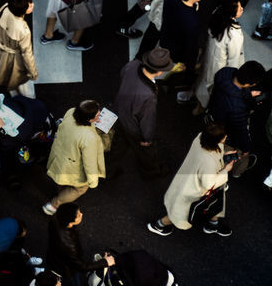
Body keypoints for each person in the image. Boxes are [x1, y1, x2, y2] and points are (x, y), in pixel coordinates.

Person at [147, 123, 234, 237]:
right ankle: (159, 225)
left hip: (187, 179)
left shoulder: (201, 138)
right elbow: (209, 183)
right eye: (224, 136)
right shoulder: (208, 162)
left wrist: (223, 154)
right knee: (181, 214)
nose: (225, 137)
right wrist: (225, 170)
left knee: (215, 203)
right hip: (193, 190)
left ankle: (213, 224)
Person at [110, 48, 174, 179]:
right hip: (133, 127)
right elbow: (147, 120)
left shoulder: (133, 65)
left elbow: (123, 75)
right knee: (146, 152)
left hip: (119, 113)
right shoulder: (148, 95)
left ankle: (107, 170)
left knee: (118, 146)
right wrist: (147, 139)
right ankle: (150, 171)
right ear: (160, 72)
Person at [42, 101, 106, 214]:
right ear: (88, 119)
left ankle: (61, 193)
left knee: (61, 181)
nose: (99, 114)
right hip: (73, 166)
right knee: (79, 188)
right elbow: (89, 162)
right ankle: (54, 205)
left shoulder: (71, 112)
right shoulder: (88, 137)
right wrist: (92, 181)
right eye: (97, 115)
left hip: (59, 156)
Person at [208, 61, 266, 173]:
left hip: (213, 112)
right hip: (225, 128)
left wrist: (247, 95)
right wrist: (246, 149)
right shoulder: (238, 108)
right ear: (251, 84)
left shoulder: (223, 73)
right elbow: (241, 131)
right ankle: (237, 170)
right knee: (239, 153)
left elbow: (232, 91)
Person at [192, 0, 246, 110]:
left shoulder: (216, 20)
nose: (242, 9)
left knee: (203, 82)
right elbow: (233, 59)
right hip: (220, 67)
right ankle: (203, 107)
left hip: (209, 60)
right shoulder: (233, 34)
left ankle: (198, 104)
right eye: (239, 8)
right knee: (212, 90)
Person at [0, 0, 38, 94]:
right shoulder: (23, 30)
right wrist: (33, 73)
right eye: (29, 5)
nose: (32, 5)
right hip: (13, 58)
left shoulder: (5, 7)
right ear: (23, 11)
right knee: (16, 79)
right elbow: (27, 53)